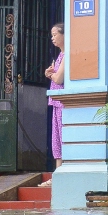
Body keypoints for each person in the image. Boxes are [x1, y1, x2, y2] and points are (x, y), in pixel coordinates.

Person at [41, 23, 65, 186]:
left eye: (55, 34)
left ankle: (62, 172)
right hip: (56, 102)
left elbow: (59, 79)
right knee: (56, 138)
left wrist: (51, 75)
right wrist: (50, 73)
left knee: (62, 137)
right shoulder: (59, 56)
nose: (52, 38)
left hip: (63, 103)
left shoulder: (67, 54)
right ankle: (58, 172)